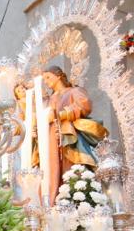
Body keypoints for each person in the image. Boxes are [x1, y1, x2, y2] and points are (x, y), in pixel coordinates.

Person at [41, 65, 108, 202]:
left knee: (71, 168)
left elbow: (84, 105)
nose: (46, 82)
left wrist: (61, 115)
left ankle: (77, 197)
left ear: (58, 75)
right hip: (51, 141)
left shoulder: (73, 91)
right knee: (53, 173)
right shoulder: (47, 100)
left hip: (70, 138)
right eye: (44, 79)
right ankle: (55, 202)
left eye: (48, 77)